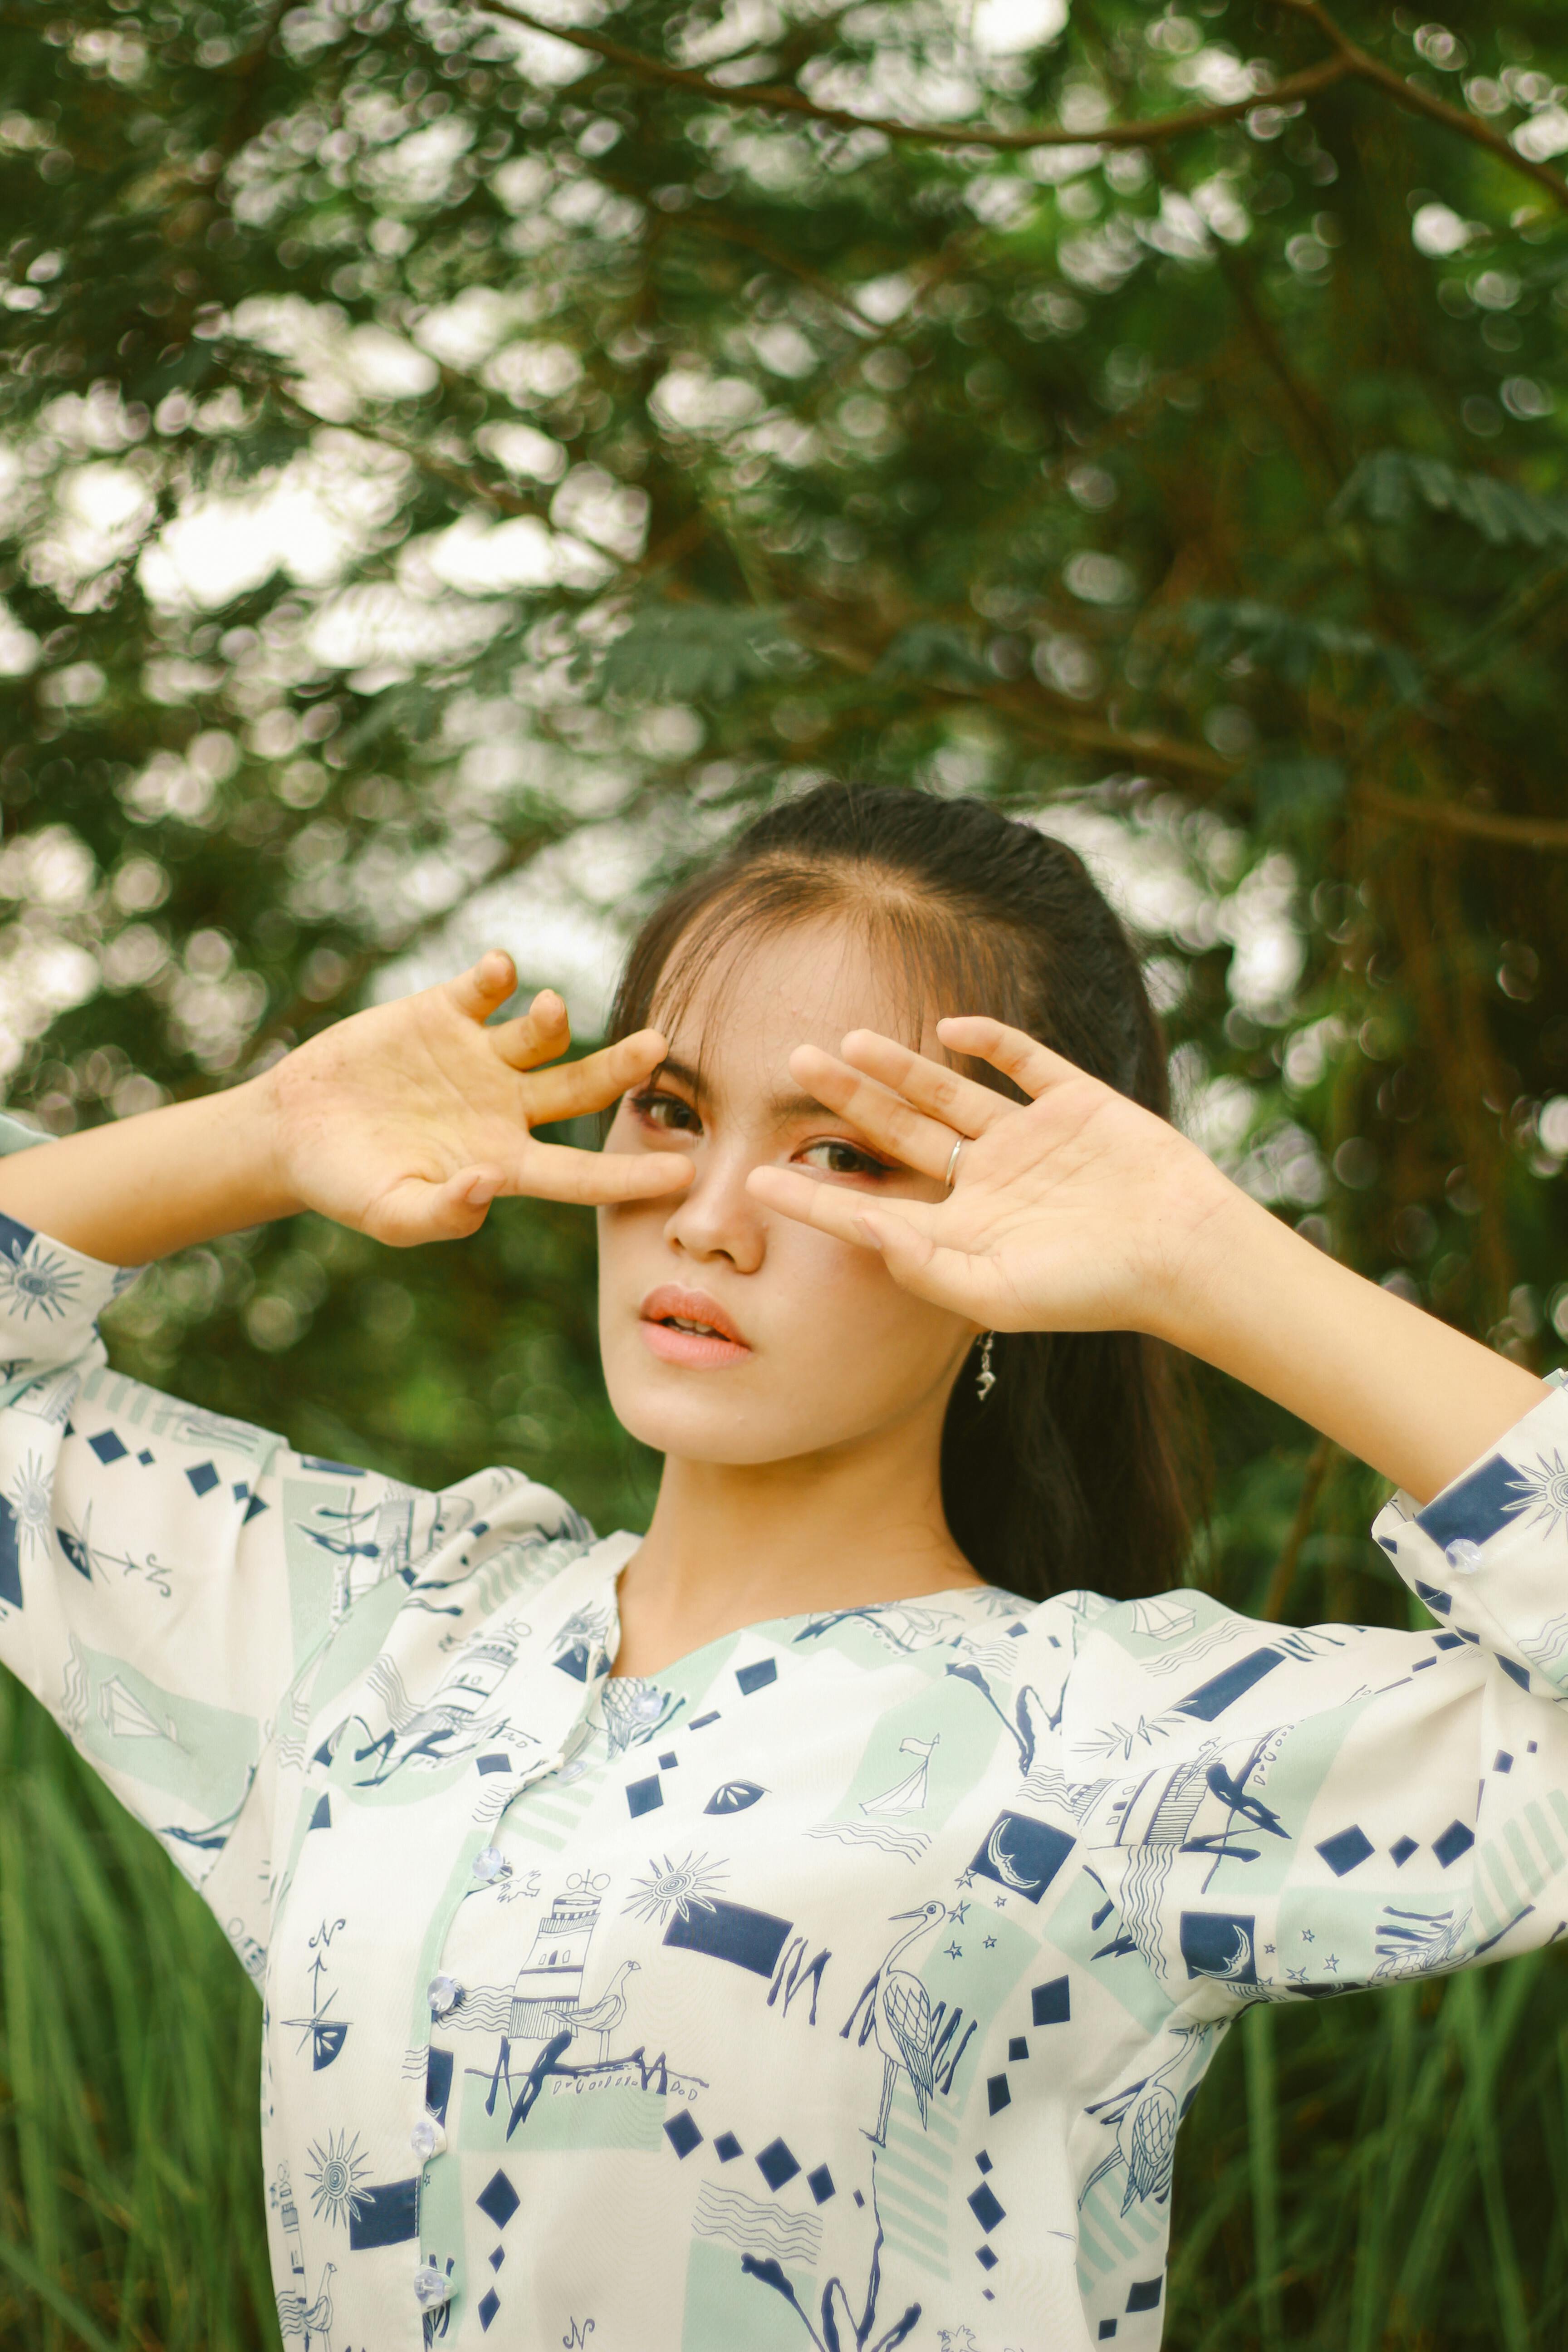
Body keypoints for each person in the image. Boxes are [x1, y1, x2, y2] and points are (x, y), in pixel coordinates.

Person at [0, 782, 1561, 2352]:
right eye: (672, 1112)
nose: (711, 1220)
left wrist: (1205, 1259)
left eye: (844, 1155)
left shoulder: (1113, 1751)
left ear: (1022, 1230)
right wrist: (269, 1135)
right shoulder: (385, 1631)